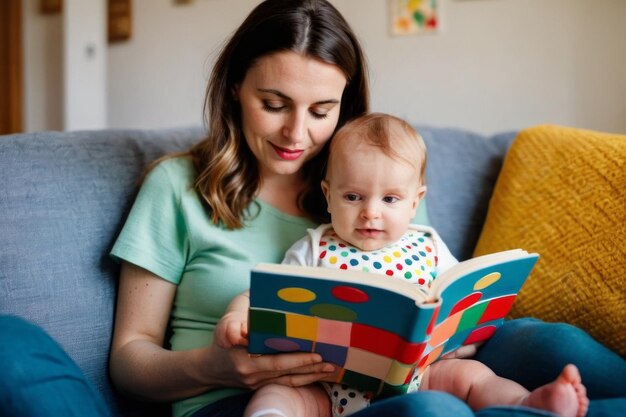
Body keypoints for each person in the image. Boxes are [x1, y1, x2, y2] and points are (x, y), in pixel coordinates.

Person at [2, 1, 626, 417]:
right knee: (434, 411)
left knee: (551, 343)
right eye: (273, 103)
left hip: (399, 381)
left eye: (323, 111)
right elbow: (130, 359)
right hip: (254, 402)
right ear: (234, 92)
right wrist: (218, 365)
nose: (296, 133)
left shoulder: (373, 183)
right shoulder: (176, 188)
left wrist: (453, 336)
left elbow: (434, 287)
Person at [214, 113, 589, 417]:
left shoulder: (428, 244)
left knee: (475, 377)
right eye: (353, 196)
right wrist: (235, 316)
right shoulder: (313, 247)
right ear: (328, 195)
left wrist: (459, 334)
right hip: (324, 385)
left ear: (415, 201)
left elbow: (460, 297)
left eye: (390, 199)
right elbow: (264, 295)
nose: (371, 213)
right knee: (278, 394)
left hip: (420, 377)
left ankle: (527, 405)